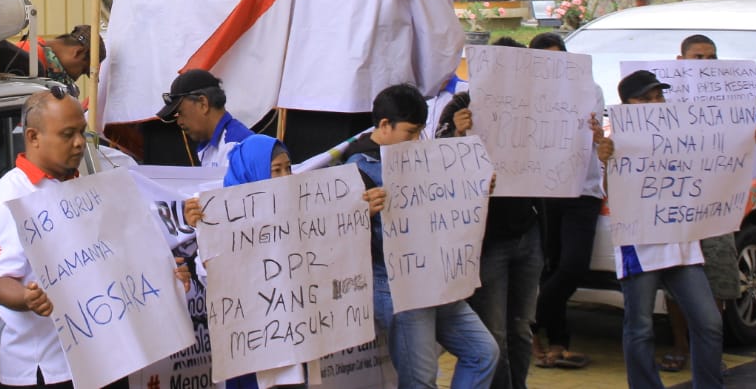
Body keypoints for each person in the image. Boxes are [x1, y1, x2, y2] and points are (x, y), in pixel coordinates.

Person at [0, 87, 190, 389]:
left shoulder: (90, 188)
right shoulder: (7, 200)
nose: (78, 144)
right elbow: (0, 284)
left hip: (109, 359)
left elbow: (118, 259)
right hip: (49, 369)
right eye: (67, 135)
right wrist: (27, 298)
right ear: (33, 137)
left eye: (81, 133)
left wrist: (165, 274)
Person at [183, 135, 388, 389]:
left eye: (288, 168)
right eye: (275, 170)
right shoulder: (221, 216)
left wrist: (358, 213)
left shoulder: (303, 211)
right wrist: (202, 228)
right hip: (253, 344)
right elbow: (210, 275)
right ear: (252, 171)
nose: (284, 177)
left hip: (296, 337)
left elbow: (329, 242)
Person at [345, 83, 499, 389]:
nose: (416, 139)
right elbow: (334, 237)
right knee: (421, 378)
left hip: (438, 280)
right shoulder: (356, 166)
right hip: (397, 286)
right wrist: (362, 214)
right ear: (385, 125)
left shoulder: (426, 156)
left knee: (483, 352)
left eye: (419, 132)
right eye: (410, 132)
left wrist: (477, 190)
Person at [601, 70, 725, 389]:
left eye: (659, 97)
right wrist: (605, 162)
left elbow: (713, 161)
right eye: (647, 98)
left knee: (709, 322)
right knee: (640, 327)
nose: (656, 103)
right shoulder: (613, 139)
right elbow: (608, 193)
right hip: (640, 247)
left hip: (681, 243)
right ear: (628, 104)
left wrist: (745, 139)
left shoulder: (680, 133)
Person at [437, 88, 542, 389]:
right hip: (487, 242)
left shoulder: (534, 104)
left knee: (521, 328)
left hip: (526, 231)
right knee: (494, 333)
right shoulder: (459, 107)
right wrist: (457, 134)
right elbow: (435, 164)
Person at [660, 34, 745, 374]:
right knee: (677, 281)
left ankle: (709, 352)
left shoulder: (729, 102)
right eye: (698, 58)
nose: (705, 65)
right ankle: (682, 347)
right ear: (681, 62)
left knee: (720, 280)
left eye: (711, 58)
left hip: (716, 205)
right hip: (677, 206)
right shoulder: (661, 102)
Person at [528, 31, 603, 370]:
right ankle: (557, 342)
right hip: (541, 191)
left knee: (571, 267)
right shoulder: (523, 96)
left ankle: (527, 322)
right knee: (548, 266)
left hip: (581, 190)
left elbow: (594, 134)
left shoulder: (590, 91)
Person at [155, 68, 252, 168]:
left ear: (203, 103)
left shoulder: (237, 146)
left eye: (180, 112)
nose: (179, 122)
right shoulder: (207, 147)